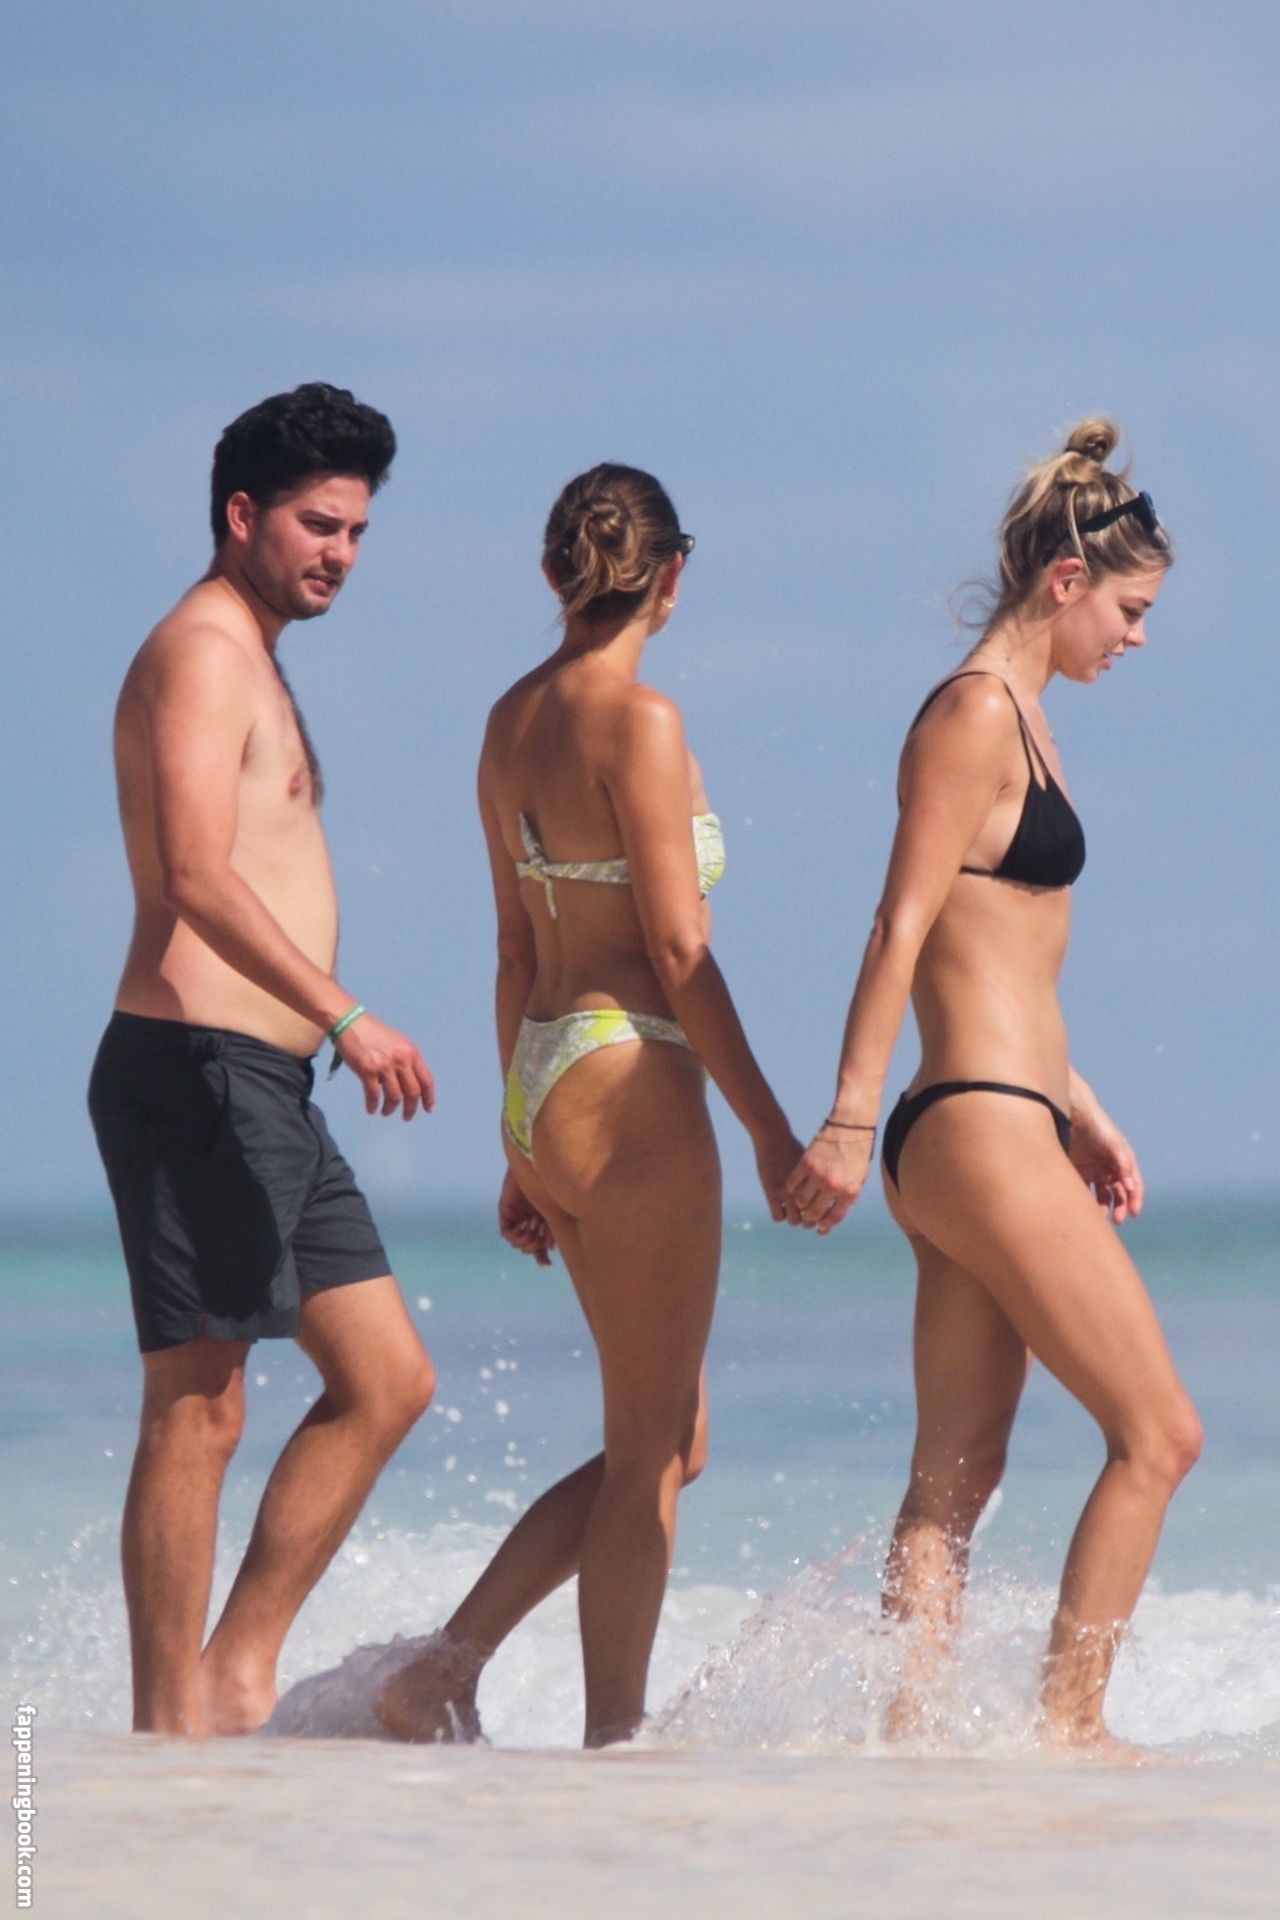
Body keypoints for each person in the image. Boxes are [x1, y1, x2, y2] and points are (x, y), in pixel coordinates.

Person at [784, 420, 1202, 1755]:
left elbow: (997, 956)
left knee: (955, 1477)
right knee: (1159, 1436)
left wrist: (1084, 1110)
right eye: (1129, 611)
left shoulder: (1027, 721)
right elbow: (898, 926)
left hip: (997, 1117)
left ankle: (910, 1742)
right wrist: (846, 1118)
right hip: (971, 1122)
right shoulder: (971, 715)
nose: (1137, 638)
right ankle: (1071, 1730)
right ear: (1066, 581)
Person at [378, 463, 800, 1748]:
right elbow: (676, 948)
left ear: (551, 571)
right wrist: (769, 1129)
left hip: (551, 1075)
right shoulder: (643, 720)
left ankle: (445, 1669)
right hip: (634, 1078)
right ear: (670, 574)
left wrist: (518, 1141)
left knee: (668, 1439)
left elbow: (513, 949)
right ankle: (611, 1743)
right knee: (648, 1450)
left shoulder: (508, 721)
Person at [88, 383, 438, 1738]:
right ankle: (166, 1730)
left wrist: (314, 1040)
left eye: (355, 530)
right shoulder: (201, 651)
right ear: (242, 515)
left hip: (265, 1083)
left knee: (387, 1381)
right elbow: (192, 872)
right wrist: (347, 1015)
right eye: (317, 524)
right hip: (197, 1067)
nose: (341, 552)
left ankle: (237, 1668)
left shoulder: (255, 653)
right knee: (199, 1410)